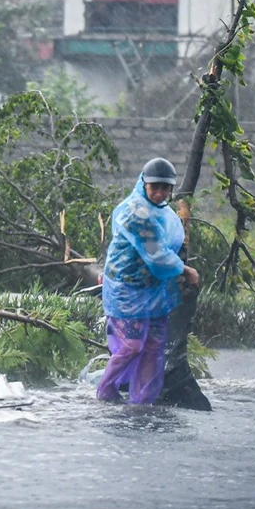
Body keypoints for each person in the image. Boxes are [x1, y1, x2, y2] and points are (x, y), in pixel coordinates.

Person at [95, 157, 199, 404]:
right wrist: (186, 270)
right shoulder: (136, 214)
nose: (160, 193)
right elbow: (156, 254)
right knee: (132, 345)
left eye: (166, 188)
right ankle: (106, 389)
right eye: (155, 187)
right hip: (127, 290)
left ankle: (143, 400)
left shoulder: (162, 212)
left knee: (153, 345)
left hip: (152, 291)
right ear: (144, 184)